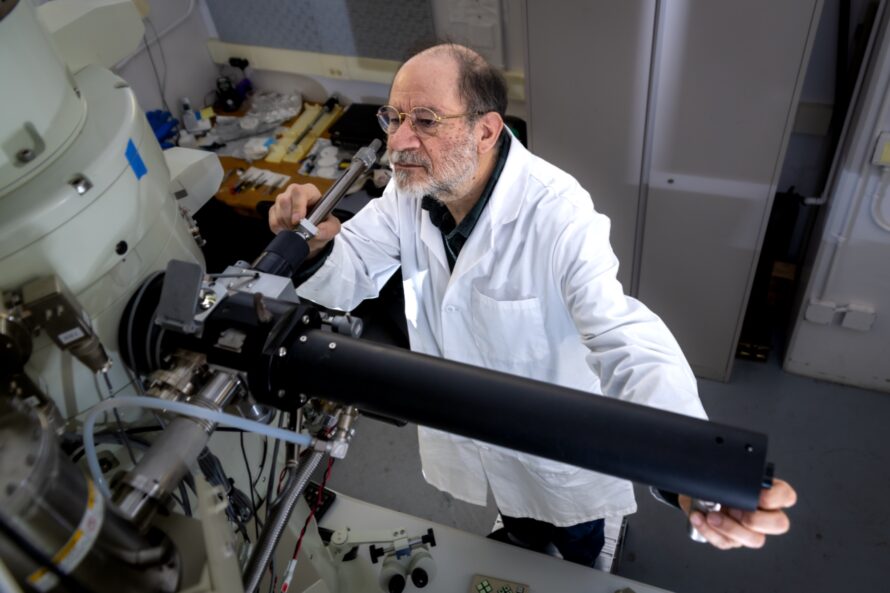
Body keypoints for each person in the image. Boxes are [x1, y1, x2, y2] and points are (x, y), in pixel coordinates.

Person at [269, 43, 797, 564]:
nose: (399, 140)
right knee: (519, 527)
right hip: (477, 427)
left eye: (426, 120)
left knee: (577, 547)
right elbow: (352, 271)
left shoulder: (558, 214)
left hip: (560, 450)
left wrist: (696, 469)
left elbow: (625, 338)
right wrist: (317, 246)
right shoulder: (410, 191)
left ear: (486, 130)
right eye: (394, 117)